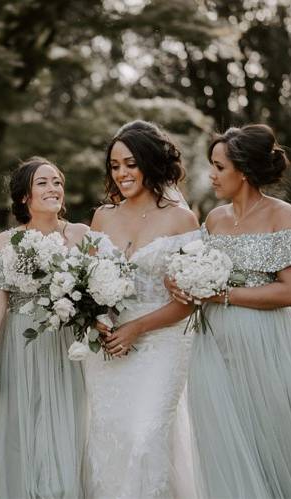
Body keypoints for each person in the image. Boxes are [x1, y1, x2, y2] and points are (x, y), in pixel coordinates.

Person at [168, 124, 291, 498]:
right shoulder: (214, 219)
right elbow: (192, 266)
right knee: (222, 434)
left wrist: (224, 295)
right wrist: (180, 280)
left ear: (244, 170)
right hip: (213, 342)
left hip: (267, 339)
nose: (212, 175)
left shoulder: (282, 215)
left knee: (271, 432)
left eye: (219, 167)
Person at [84, 120, 200, 498]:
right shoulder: (102, 217)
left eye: (130, 164)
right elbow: (86, 285)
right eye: (115, 166)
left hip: (162, 342)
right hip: (109, 349)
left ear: (150, 162)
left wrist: (137, 328)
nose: (121, 174)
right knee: (110, 436)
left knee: (145, 435)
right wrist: (99, 320)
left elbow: (189, 302)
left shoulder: (181, 219)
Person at [0, 157, 89, 498]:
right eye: (43, 183)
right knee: (24, 433)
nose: (53, 189)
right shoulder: (4, 242)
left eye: (57, 182)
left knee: (69, 429)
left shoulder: (81, 234)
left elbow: (97, 295)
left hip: (67, 346)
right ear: (24, 196)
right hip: (21, 344)